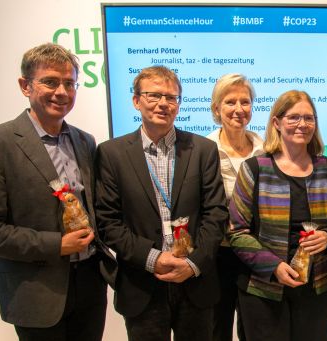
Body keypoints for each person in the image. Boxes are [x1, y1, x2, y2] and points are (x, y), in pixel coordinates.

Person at [0, 43, 115, 340]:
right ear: (25, 85)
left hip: (90, 283)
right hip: (36, 289)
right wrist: (55, 245)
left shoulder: (84, 141)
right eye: (50, 81)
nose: (61, 91)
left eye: (69, 83)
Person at [95, 65, 227, 340]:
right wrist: (154, 258)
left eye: (171, 97)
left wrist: (192, 263)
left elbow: (216, 214)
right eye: (154, 95)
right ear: (136, 100)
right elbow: (108, 222)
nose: (163, 104)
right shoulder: (111, 153)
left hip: (195, 282)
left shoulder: (203, 150)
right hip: (142, 282)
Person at [228, 90, 327, 340]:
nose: (302, 125)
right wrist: (274, 266)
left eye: (309, 118)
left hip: (318, 288)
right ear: (276, 123)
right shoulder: (254, 169)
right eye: (293, 118)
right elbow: (236, 232)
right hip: (263, 289)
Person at [206, 73, 264, 341]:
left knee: (253, 328)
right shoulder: (203, 150)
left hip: (257, 251)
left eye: (245, 101)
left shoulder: (266, 150)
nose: (239, 109)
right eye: (230, 102)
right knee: (217, 326)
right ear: (217, 108)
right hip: (219, 253)